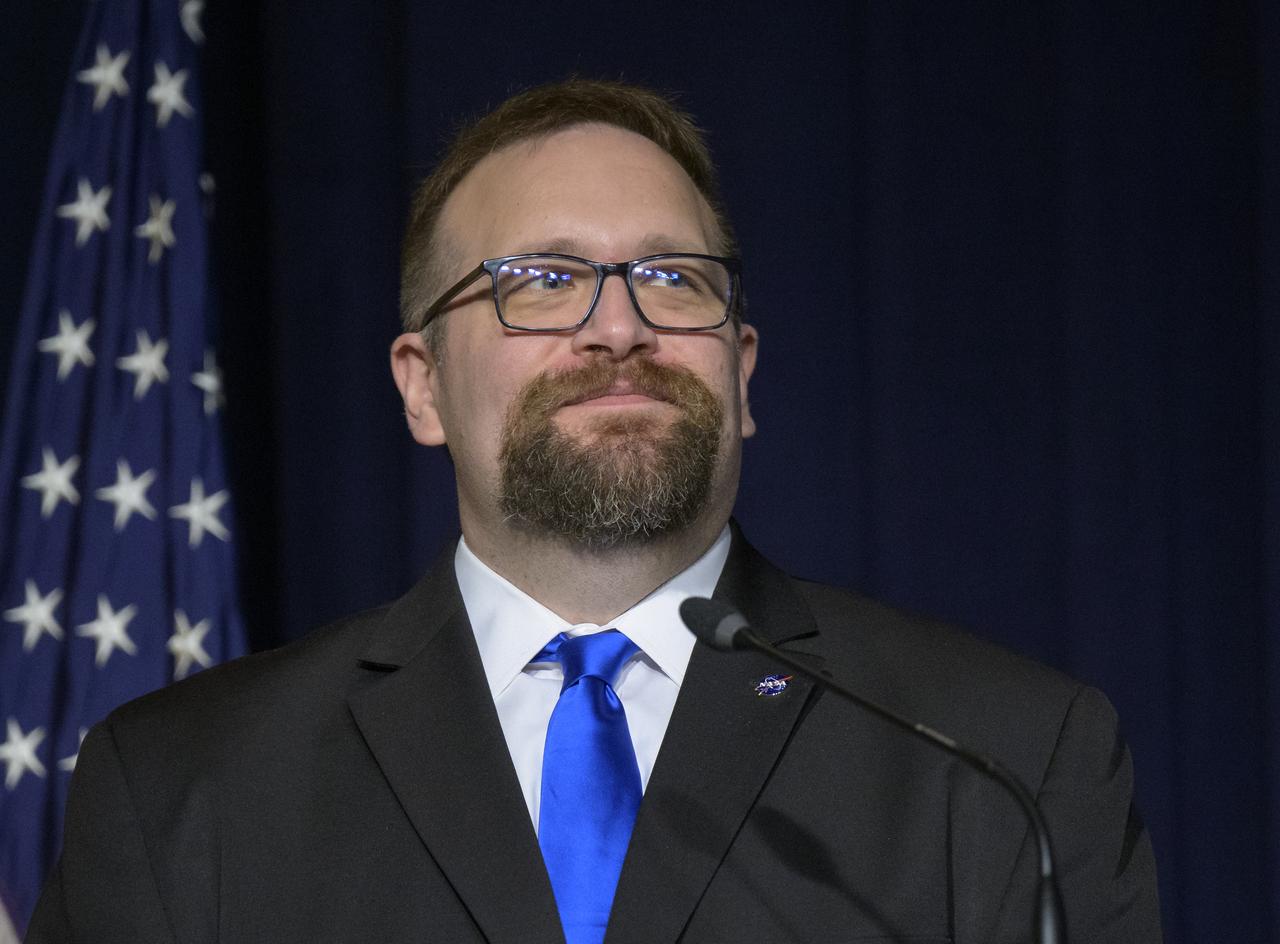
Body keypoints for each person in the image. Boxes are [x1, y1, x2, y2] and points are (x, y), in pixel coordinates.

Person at [26, 79, 1161, 943]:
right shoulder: (183, 784)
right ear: (421, 383)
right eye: (542, 281)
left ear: (743, 369)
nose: (617, 327)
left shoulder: (1003, 761)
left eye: (671, 278)